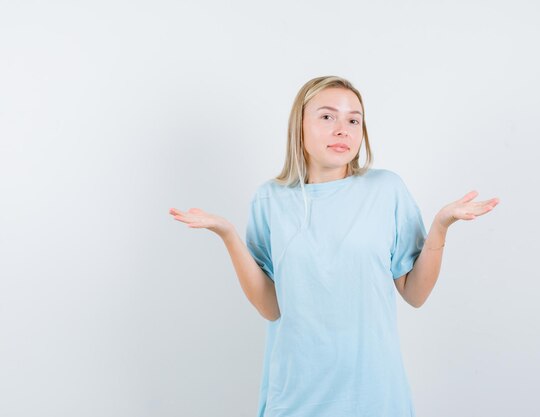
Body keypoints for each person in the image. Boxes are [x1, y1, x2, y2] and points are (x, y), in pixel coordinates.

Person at [169, 75, 500, 417]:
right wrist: (227, 234)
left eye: (353, 120)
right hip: (297, 396)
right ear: (299, 125)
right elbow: (271, 307)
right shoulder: (270, 199)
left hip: (375, 396)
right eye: (327, 116)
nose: (343, 129)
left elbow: (415, 294)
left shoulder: (386, 190)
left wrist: (441, 226)